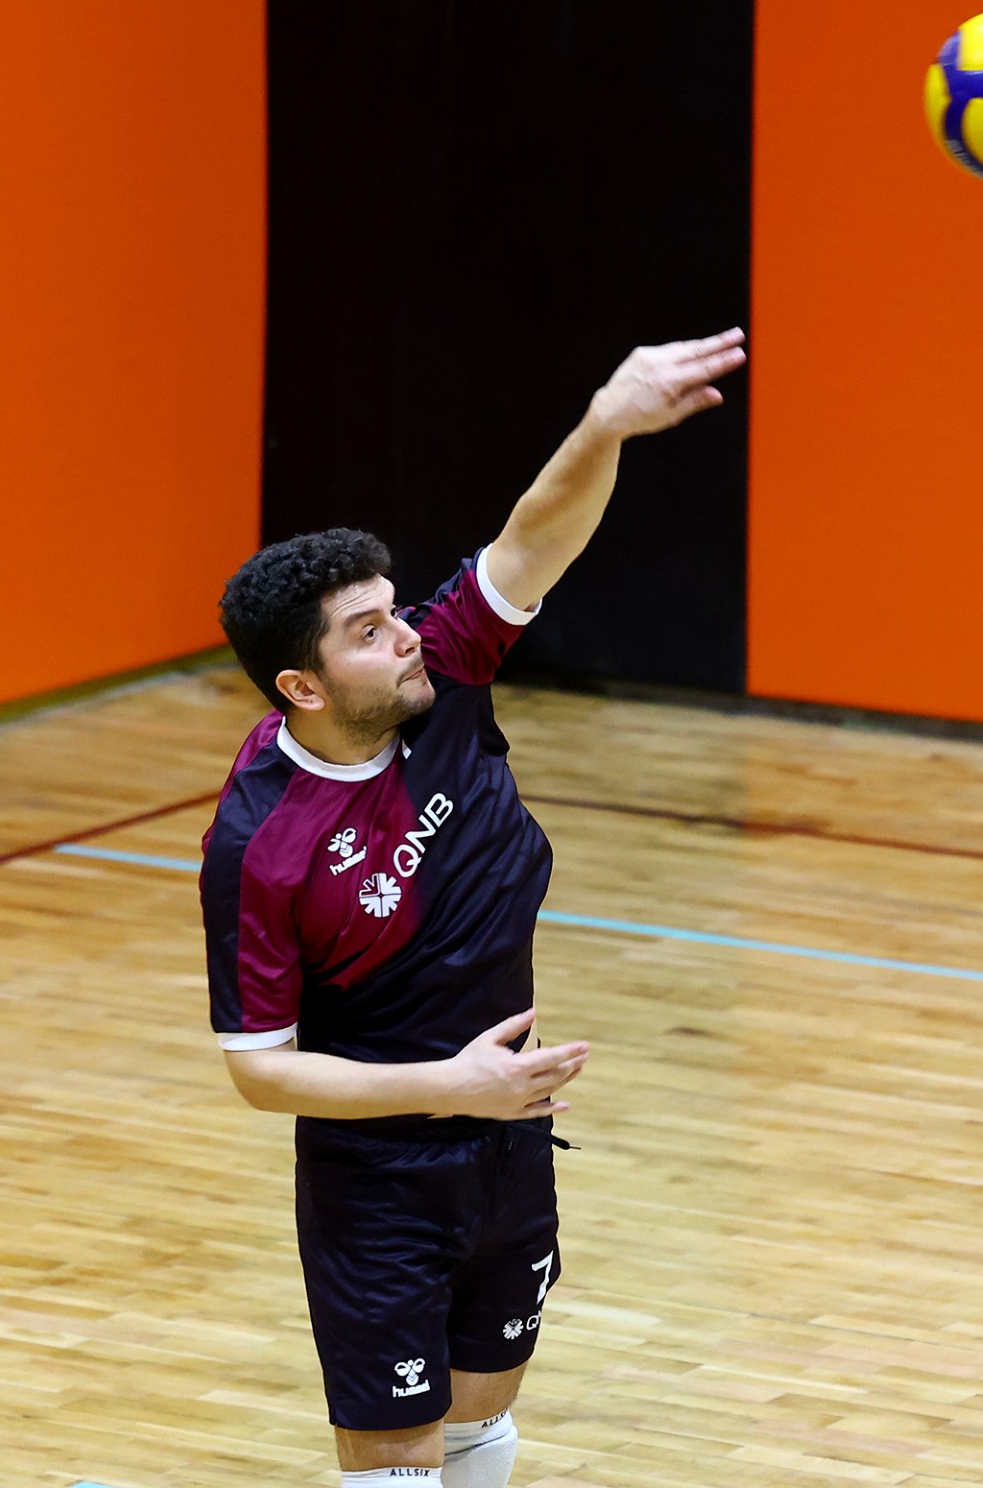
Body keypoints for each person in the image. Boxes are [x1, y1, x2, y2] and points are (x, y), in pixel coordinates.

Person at [200, 328, 747, 1487]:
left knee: (480, 1425)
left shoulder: (439, 678)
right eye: (367, 632)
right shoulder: (261, 846)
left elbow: (529, 541)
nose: (405, 634)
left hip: (508, 1133)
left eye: (393, 610)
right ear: (301, 684)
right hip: (381, 1178)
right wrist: (451, 1085)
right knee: (397, 1461)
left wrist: (606, 422)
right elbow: (259, 1069)